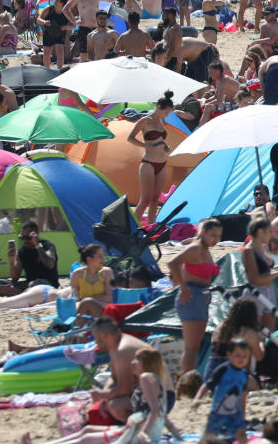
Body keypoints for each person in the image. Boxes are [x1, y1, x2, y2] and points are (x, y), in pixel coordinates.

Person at [20, 348, 180, 444]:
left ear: (146, 363)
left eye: (137, 360)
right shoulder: (152, 379)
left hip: (138, 430)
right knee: (87, 430)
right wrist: (174, 432)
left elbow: (155, 408)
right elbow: (160, 410)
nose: (132, 363)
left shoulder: (146, 378)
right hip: (139, 427)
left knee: (86, 440)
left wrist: (143, 433)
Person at [168, 218, 222, 374]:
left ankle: (188, 378)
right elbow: (172, 263)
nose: (216, 240)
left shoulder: (205, 250)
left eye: (219, 236)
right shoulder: (196, 248)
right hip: (192, 296)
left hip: (202, 296)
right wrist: (183, 287)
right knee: (191, 347)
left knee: (194, 346)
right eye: (213, 235)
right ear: (203, 233)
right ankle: (186, 379)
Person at [88, 318, 156, 425]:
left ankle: (136, 431)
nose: (95, 343)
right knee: (104, 404)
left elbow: (125, 389)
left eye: (95, 338)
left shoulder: (122, 351)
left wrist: (104, 395)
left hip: (160, 396)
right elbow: (113, 377)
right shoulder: (116, 345)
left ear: (104, 336)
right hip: (147, 391)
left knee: (116, 406)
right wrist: (104, 393)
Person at [126, 92, 176, 226]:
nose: (167, 115)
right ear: (159, 107)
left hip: (162, 162)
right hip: (148, 162)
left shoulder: (161, 120)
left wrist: (165, 146)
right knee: (145, 200)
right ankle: (133, 227)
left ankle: (151, 227)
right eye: (166, 112)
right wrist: (145, 146)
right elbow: (130, 138)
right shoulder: (145, 121)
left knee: (155, 200)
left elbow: (159, 139)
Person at [239, 218, 278, 331]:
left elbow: (265, 273)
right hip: (255, 294)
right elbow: (254, 279)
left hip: (268, 291)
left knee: (269, 335)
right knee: (254, 333)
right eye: (269, 231)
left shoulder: (262, 248)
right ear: (260, 232)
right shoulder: (249, 251)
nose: (272, 235)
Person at [197, 338, 252, 444]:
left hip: (235, 412)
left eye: (245, 356)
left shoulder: (244, 373)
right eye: (238, 355)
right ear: (229, 355)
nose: (241, 359)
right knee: (209, 435)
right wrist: (197, 398)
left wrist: (243, 413)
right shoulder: (223, 369)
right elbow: (208, 385)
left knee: (241, 433)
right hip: (218, 410)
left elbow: (243, 394)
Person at [205, 297, 265, 381]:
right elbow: (259, 357)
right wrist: (261, 342)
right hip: (231, 375)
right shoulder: (249, 333)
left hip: (211, 373)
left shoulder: (220, 327)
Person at [0, 220, 59, 297]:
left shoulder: (47, 246)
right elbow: (15, 277)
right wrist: (11, 262)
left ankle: (24, 294)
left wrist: (37, 246)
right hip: (30, 284)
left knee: (36, 283)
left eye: (28, 238)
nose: (25, 241)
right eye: (22, 237)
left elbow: (50, 264)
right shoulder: (22, 251)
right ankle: (27, 294)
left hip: (48, 284)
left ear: (36, 235)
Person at [70, 243, 114, 319]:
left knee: (86, 304)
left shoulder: (107, 272)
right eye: (100, 256)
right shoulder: (77, 274)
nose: (103, 259)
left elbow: (110, 297)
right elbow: (75, 296)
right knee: (78, 306)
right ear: (89, 259)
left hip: (102, 308)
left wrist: (88, 300)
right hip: (84, 308)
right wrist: (84, 300)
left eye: (103, 255)